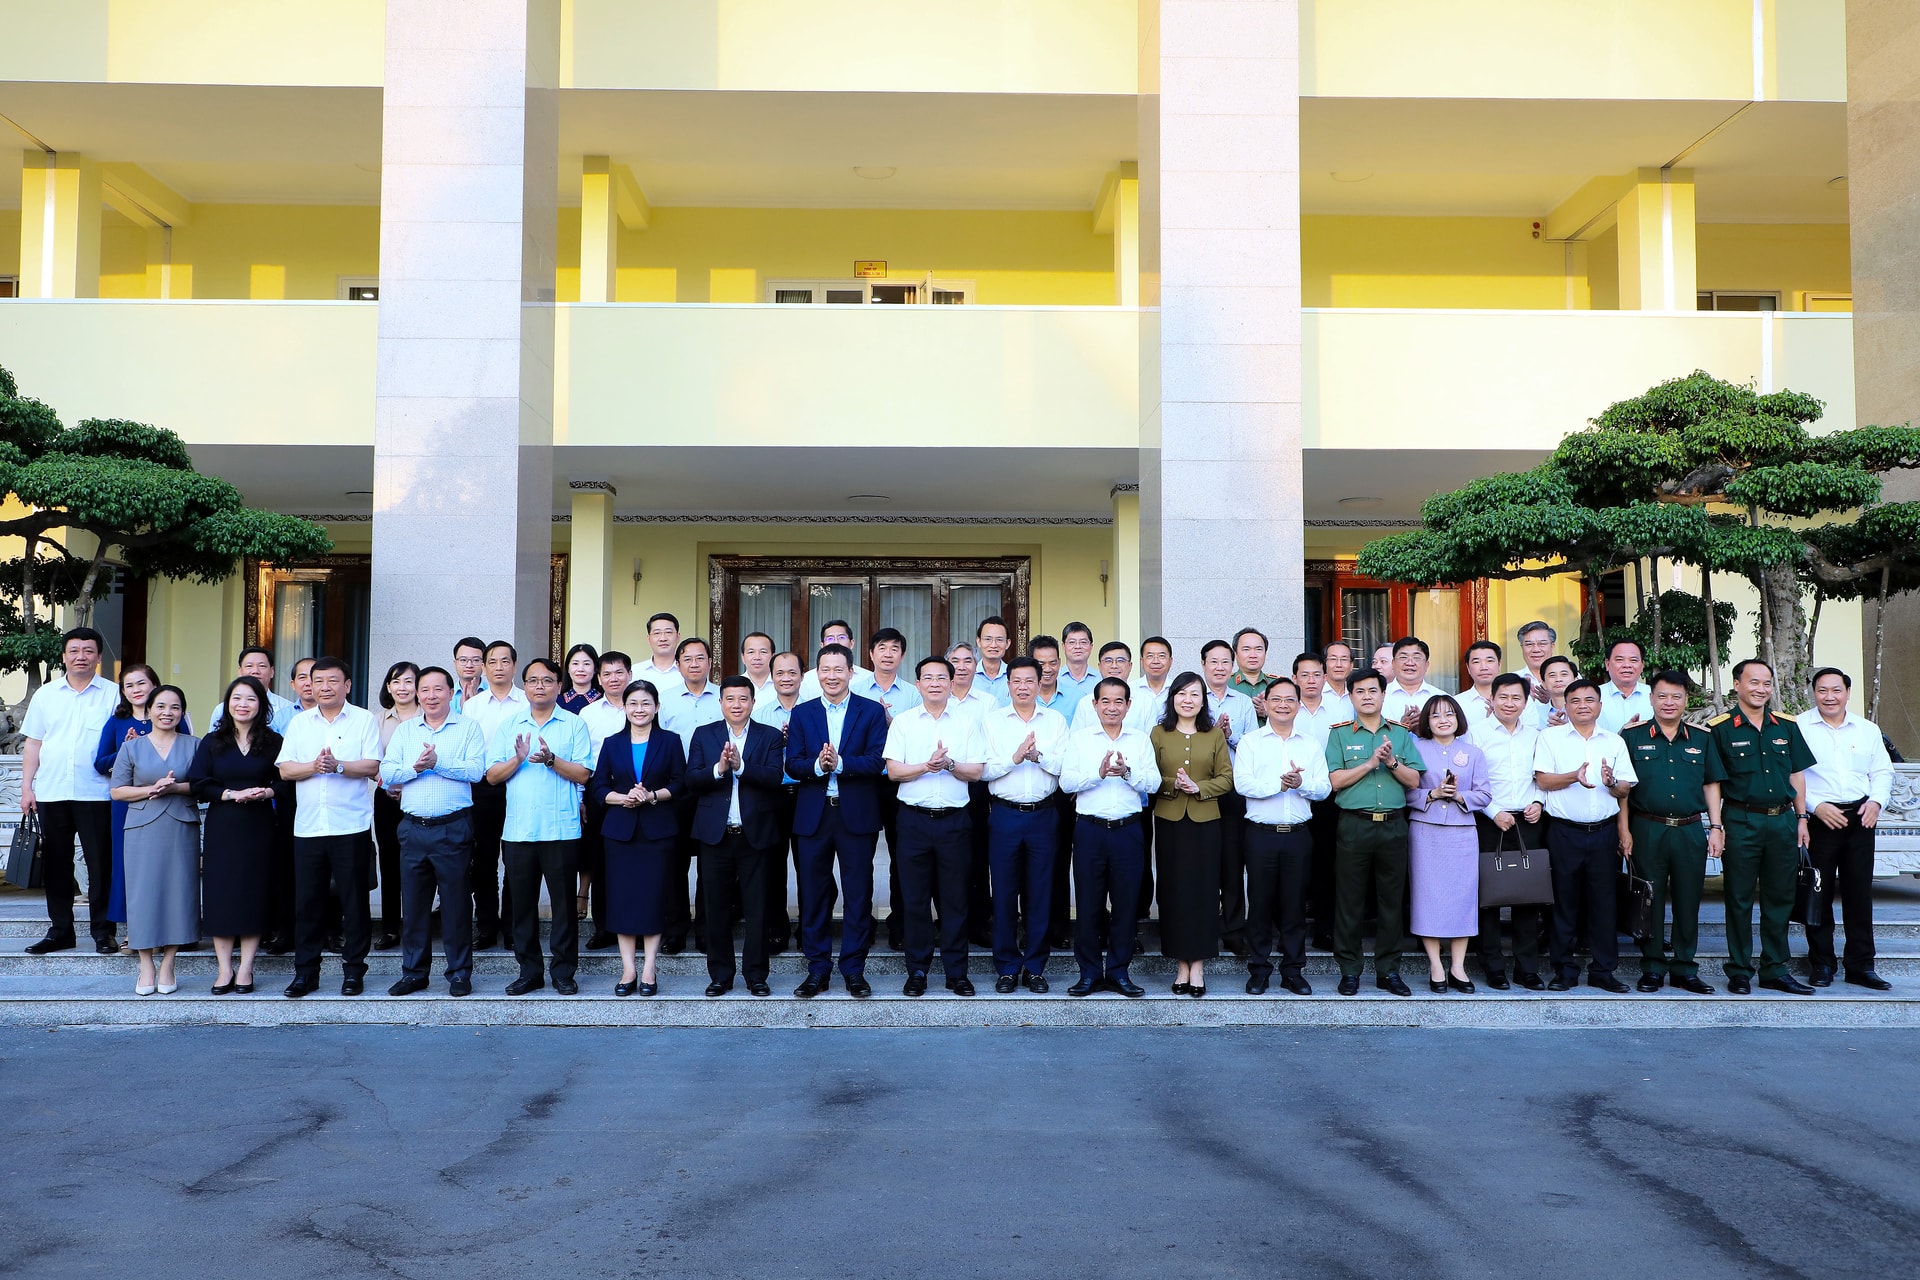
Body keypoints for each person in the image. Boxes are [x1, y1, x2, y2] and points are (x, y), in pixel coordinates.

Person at [1705, 659, 1817, 995]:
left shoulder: (1786, 726)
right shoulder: (1720, 729)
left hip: (1782, 821)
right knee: (1738, 898)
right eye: (1753, 682)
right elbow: (1713, 782)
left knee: (1780, 897)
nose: (1761, 689)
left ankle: (1775, 968)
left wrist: (1801, 818)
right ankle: (1739, 970)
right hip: (1741, 820)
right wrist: (1716, 826)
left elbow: (1796, 774)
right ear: (1737, 685)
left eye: (1766, 683)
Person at [485, 658, 594, 996]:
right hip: (519, 831)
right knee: (521, 907)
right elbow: (492, 776)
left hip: (561, 829)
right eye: (533, 681)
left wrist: (551, 760)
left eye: (547, 680)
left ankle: (563, 972)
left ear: (559, 686)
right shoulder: (510, 725)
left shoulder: (574, 724)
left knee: (564, 908)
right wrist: (518, 759)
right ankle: (529, 972)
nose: (540, 686)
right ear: (525, 687)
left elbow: (583, 774)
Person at [785, 643, 889, 998]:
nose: (832, 676)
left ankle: (854, 969)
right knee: (813, 894)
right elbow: (793, 763)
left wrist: (840, 763)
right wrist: (818, 766)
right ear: (817, 674)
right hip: (814, 816)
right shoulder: (803, 713)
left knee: (858, 895)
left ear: (851, 673)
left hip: (855, 815)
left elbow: (877, 761)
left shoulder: (870, 711)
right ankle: (817, 968)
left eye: (838, 669)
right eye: (825, 670)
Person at [276, 657, 382, 998]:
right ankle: (306, 973)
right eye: (317, 680)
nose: (324, 687)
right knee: (308, 903)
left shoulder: (363, 720)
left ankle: (354, 971)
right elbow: (285, 770)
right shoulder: (300, 723)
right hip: (308, 828)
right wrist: (314, 765)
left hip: (350, 825)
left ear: (347, 685)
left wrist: (337, 766)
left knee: (354, 903)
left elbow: (372, 765)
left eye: (332, 680)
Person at [378, 665, 487, 997]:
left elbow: (476, 771)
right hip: (413, 829)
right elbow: (387, 772)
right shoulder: (406, 730)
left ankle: (459, 973)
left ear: (451, 693)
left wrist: (437, 763)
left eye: (438, 689)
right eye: (424, 689)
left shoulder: (468, 727)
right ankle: (414, 973)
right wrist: (415, 768)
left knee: (455, 906)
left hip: (452, 828)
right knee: (413, 906)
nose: (430, 695)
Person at [884, 656, 986, 996]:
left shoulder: (967, 722)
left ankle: (957, 973)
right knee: (914, 900)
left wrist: (950, 764)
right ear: (918, 684)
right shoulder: (904, 722)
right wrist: (926, 767)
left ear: (951, 683)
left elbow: (976, 772)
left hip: (954, 822)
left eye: (942, 677)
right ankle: (917, 971)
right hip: (913, 821)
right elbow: (894, 771)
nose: (935, 683)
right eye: (927, 678)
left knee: (955, 899)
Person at [1620, 669, 1722, 995]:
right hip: (1647, 827)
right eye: (1662, 696)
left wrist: (1716, 827)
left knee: (1688, 900)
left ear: (1686, 700)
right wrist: (1624, 831)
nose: (1669, 702)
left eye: (1676, 696)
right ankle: (1652, 966)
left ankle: (1684, 968)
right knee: (1648, 899)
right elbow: (1623, 791)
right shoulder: (1632, 736)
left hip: (1689, 830)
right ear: (1651, 698)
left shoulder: (1702, 738)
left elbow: (1711, 784)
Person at [21, 628, 121, 957]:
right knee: (56, 865)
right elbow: (33, 743)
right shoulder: (46, 695)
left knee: (100, 865)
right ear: (64, 656)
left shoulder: (113, 694)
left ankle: (103, 932)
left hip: (97, 792)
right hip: (52, 791)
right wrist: (27, 787)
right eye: (74, 650)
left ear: (99, 657)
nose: (81, 656)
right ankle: (60, 931)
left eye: (88, 651)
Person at [1324, 669, 1423, 996]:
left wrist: (1391, 761)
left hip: (1393, 825)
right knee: (1349, 901)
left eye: (1373, 690)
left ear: (1383, 695)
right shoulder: (1339, 734)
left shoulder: (1400, 734)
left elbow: (1414, 781)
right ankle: (1349, 970)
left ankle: (1389, 970)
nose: (1367, 696)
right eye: (1360, 691)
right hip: (1355, 824)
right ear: (1351, 697)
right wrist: (1369, 763)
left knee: (1391, 901)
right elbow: (1335, 781)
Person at [685, 675, 786, 997]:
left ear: (753, 702)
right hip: (716, 836)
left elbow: (775, 777)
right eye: (730, 699)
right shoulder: (705, 734)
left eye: (743, 699)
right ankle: (720, 975)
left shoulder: (770, 736)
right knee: (715, 908)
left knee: (758, 909)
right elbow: (691, 779)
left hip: (755, 836)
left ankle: (756, 975)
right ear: (721, 703)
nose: (737, 705)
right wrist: (719, 769)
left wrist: (741, 767)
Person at [1534, 678, 1637, 993]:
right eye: (1575, 700)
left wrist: (1611, 783)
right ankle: (1564, 970)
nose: (1582, 706)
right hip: (1563, 832)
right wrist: (1573, 777)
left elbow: (1624, 790)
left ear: (1600, 706)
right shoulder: (1550, 738)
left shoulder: (1614, 741)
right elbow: (1543, 781)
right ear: (1565, 705)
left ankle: (1603, 970)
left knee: (1604, 903)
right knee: (1563, 903)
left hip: (1603, 832)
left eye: (1589, 700)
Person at [1060, 677, 1160, 997]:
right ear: (1095, 704)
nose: (1112, 707)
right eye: (1105, 701)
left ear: (1128, 706)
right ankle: (1089, 973)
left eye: (1119, 701)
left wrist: (1128, 773)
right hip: (1090, 830)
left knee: (1125, 905)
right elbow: (1066, 782)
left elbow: (1154, 783)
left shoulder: (1140, 740)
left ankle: (1118, 971)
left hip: (1128, 831)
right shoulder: (1080, 739)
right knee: (1088, 905)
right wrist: (1098, 774)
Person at [1796, 667, 1894, 990]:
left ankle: (1861, 966)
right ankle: (1822, 963)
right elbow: (1792, 775)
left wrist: (1876, 802)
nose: (1829, 697)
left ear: (1848, 693)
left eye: (1836, 690)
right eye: (1822, 690)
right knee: (1818, 894)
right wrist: (1815, 807)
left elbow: (1882, 772)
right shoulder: (1799, 727)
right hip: (1819, 820)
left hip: (1860, 818)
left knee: (1859, 894)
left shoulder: (1867, 730)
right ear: (1814, 693)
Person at [1234, 677, 1329, 995]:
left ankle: (1293, 970)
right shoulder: (1251, 742)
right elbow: (1242, 784)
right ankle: (1259, 969)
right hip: (1260, 836)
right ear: (1265, 703)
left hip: (1298, 837)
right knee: (1259, 904)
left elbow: (1324, 788)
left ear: (1299, 705)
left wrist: (1301, 784)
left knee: (1294, 906)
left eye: (1290, 700)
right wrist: (1279, 784)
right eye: (1276, 699)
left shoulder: (1310, 744)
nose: (1283, 705)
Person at [189, 677, 283, 996]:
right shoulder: (213, 741)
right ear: (227, 704)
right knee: (222, 894)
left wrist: (266, 792)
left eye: (251, 699)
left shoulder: (273, 741)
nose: (243, 704)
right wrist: (229, 794)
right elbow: (198, 783)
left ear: (261, 705)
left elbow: (286, 782)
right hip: (223, 825)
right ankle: (224, 968)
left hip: (259, 825)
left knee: (254, 892)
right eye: (237, 698)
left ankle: (246, 967)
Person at [592, 680, 686, 996]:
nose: (639, 709)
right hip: (620, 832)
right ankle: (628, 969)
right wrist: (624, 798)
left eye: (646, 703)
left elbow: (680, 783)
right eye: (633, 703)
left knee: (653, 898)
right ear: (624, 707)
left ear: (656, 707)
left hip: (658, 832)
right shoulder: (612, 743)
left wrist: (652, 796)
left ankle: (649, 968)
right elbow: (598, 787)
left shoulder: (670, 741)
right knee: (622, 899)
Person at [980, 656, 1067, 991]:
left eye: (1030, 680)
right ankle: (1006, 967)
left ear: (1040, 682)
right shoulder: (993, 722)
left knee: (1040, 893)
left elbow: (1065, 767)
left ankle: (1035, 967)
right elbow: (984, 770)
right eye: (1016, 681)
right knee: (1003, 893)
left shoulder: (1055, 721)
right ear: (1008, 684)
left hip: (1044, 815)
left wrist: (1038, 756)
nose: (1023, 687)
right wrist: (1015, 758)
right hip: (1005, 815)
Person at [1150, 671, 1235, 997]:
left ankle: (1197, 964)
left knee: (1203, 891)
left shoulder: (1214, 735)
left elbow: (1226, 778)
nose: (1188, 700)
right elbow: (1149, 775)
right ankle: (1180, 964)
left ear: (1203, 701)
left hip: (1205, 822)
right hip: (1170, 820)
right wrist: (1175, 784)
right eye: (1182, 693)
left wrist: (1199, 787)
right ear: (1173, 698)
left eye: (1194, 694)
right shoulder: (1159, 733)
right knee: (1173, 891)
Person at [110, 685, 199, 995]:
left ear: (182, 712)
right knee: (142, 894)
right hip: (141, 827)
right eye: (160, 706)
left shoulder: (195, 745)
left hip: (181, 825)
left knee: (179, 892)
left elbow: (204, 785)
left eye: (175, 707)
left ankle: (169, 963)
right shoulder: (131, 747)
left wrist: (175, 788)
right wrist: (151, 789)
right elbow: (117, 791)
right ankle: (146, 964)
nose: (167, 712)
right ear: (148, 711)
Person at [1466, 673, 1548, 990]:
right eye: (1503, 696)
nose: (1509, 703)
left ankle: (1527, 968)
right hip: (1488, 821)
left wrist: (1538, 802)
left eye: (1516, 698)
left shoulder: (1537, 736)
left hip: (1528, 822)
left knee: (1528, 896)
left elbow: (1542, 777)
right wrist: (1493, 811)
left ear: (1526, 703)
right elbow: (1469, 781)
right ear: (1492, 699)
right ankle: (1493, 967)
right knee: (1488, 897)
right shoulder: (1476, 734)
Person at [1407, 695, 1490, 994]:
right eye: (1436, 715)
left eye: (1449, 714)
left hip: (1462, 833)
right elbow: (1404, 791)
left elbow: (1485, 794)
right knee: (1427, 897)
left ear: (1459, 719)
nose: (1443, 720)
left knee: (1461, 897)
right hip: (1425, 831)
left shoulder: (1473, 753)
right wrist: (1432, 794)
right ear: (1426, 722)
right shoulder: (1415, 749)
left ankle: (1458, 966)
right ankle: (1435, 965)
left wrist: (1458, 795)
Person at [94, 663, 166, 950]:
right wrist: (126, 750)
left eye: (141, 683)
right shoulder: (116, 722)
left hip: (164, 800)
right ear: (123, 692)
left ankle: (165, 929)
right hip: (127, 804)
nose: (136, 690)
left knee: (161, 865)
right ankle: (133, 930)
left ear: (154, 685)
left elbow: (184, 752)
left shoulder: (170, 715)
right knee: (128, 867)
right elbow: (100, 763)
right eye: (129, 686)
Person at [463, 640, 529, 951]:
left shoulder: (527, 701)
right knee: (483, 860)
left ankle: (514, 928)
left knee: (517, 858)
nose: (499, 667)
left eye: (505, 661)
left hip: (521, 785)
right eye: (492, 662)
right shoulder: (472, 706)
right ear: (483, 667)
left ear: (514, 666)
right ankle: (486, 926)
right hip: (483, 789)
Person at [659, 636, 722, 953]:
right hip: (677, 788)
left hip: (715, 786)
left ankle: (707, 931)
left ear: (710, 662)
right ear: (678, 664)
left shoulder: (723, 697)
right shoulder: (665, 700)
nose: (694, 664)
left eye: (700, 658)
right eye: (688, 659)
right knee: (675, 863)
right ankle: (675, 930)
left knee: (711, 864)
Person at [857, 626, 917, 949]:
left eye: (895, 648)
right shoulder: (855, 690)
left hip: (898, 781)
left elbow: (917, 740)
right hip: (864, 781)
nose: (888, 653)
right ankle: (861, 924)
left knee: (901, 855)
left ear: (902, 655)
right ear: (871, 654)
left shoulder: (912, 694)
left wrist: (892, 724)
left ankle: (900, 925)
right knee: (859, 856)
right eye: (882, 647)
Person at [1200, 639, 1257, 957]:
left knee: (1233, 863)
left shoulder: (1243, 702)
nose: (1220, 667)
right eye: (1214, 661)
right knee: (1204, 862)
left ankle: (1234, 930)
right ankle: (1205, 927)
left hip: (1233, 791)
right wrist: (1212, 734)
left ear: (1232, 666)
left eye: (1225, 662)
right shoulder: (1193, 697)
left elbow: (1251, 745)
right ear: (1203, 665)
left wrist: (1229, 736)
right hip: (1201, 791)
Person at [577, 649, 633, 951]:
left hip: (638, 788)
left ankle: (637, 924)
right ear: (599, 679)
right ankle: (604, 927)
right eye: (607, 674)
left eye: (619, 672)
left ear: (630, 675)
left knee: (635, 860)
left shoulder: (641, 706)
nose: (614, 679)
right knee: (600, 861)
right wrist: (581, 797)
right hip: (599, 791)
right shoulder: (589, 714)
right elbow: (581, 758)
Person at [1291, 650, 1346, 952]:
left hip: (1329, 797)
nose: (1311, 680)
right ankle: (1290, 930)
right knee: (1294, 867)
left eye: (1316, 675)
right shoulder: (1286, 709)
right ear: (1295, 678)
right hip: (1291, 795)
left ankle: (1325, 930)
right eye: (1304, 675)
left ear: (1325, 678)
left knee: (1327, 865)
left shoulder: (1340, 711)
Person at [751, 651, 805, 954]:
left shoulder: (813, 711)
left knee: (809, 866)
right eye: (780, 673)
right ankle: (775, 930)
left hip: (806, 794)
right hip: (771, 796)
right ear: (771, 677)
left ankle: (809, 930)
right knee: (771, 868)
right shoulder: (760, 714)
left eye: (792, 672)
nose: (786, 678)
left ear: (802, 676)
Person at [372, 661, 422, 951]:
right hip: (387, 797)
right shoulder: (377, 720)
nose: (402, 688)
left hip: (422, 796)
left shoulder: (428, 717)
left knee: (420, 862)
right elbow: (371, 760)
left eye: (408, 681)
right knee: (390, 862)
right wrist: (388, 783)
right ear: (388, 687)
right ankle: (390, 928)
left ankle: (418, 925)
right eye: (396, 682)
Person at [798, 620, 873, 700]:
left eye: (841, 637)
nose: (836, 642)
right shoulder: (807, 680)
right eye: (830, 638)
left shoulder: (868, 677)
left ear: (852, 643)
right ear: (822, 645)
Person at [1382, 636, 1445, 727]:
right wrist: (1401, 728)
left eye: (1417, 658)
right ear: (1393, 663)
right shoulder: (1377, 697)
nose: (1410, 663)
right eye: (1403, 657)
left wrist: (1424, 729)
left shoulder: (1441, 698)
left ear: (1427, 665)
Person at [1596, 638, 1651, 733]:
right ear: (1607, 664)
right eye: (1619, 660)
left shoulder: (1654, 695)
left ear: (1642, 665)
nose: (1627, 665)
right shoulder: (1594, 696)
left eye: (1633, 660)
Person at [638, 612, 688, 701]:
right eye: (657, 633)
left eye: (668, 632)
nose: (663, 638)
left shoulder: (689, 672)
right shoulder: (635, 672)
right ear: (648, 639)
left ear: (678, 637)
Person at [1056, 622, 1099, 715]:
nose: (1078, 646)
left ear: (1091, 647)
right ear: (1063, 646)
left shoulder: (1101, 680)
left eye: (1083, 642)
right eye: (1072, 642)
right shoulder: (1055, 679)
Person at [1131, 635, 1175, 724]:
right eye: (1150, 656)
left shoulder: (1178, 690)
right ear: (1142, 661)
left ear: (1170, 661)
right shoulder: (1130, 689)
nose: (1156, 661)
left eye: (1161, 656)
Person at [1457, 640, 1503, 724]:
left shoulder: (1517, 700)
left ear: (1499, 665)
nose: (1484, 667)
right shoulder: (1456, 703)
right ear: (1468, 668)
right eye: (1476, 662)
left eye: (1489, 661)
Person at [1527, 655, 1577, 730]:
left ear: (1576, 680)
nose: (1558, 679)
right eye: (1552, 675)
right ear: (1543, 683)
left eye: (1564, 674)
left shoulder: (1585, 710)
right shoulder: (1536, 713)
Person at [1513, 620, 1557, 703]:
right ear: (1522, 647)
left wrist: (1554, 700)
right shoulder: (1512, 680)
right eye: (1529, 644)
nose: (1536, 649)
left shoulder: (1569, 677)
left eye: (1542, 644)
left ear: (1552, 646)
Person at [1229, 628, 1276, 704]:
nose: (1253, 655)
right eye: (1246, 649)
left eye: (1258, 649)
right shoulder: (1225, 683)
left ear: (1265, 653)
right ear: (1235, 653)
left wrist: (1267, 710)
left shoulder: (1278, 684)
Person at [975, 615, 1012, 706]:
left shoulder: (1014, 676)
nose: (993, 645)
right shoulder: (969, 676)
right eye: (988, 639)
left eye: (999, 640)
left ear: (1007, 643)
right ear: (979, 642)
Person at [560, 642, 602, 715]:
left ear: (595, 669)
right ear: (568, 668)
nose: (580, 669)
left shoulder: (604, 701)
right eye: (575, 663)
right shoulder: (556, 701)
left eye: (586, 664)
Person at [451, 636, 487, 712]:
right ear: (455, 663)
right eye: (463, 660)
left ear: (484, 664)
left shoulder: (492, 692)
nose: (469, 665)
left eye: (476, 660)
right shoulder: (446, 694)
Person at [739, 631, 776, 699]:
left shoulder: (785, 685)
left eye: (763, 652)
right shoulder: (733, 686)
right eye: (751, 652)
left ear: (773, 657)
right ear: (743, 657)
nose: (757, 657)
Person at [1322, 640, 1356, 704]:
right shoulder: (1316, 694)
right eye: (1333, 659)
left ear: (1351, 665)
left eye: (1344, 659)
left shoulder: (1356, 694)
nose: (1339, 665)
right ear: (1325, 664)